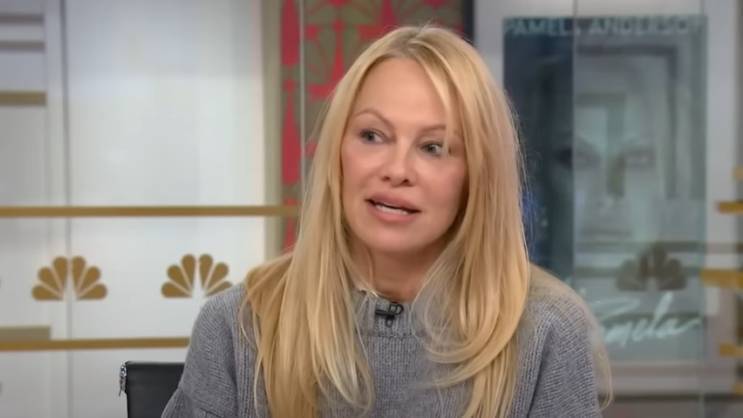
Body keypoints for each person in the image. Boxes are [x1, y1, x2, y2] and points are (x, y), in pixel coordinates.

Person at [162, 25, 611, 418]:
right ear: (338, 152)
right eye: (372, 135)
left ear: (477, 176)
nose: (397, 170)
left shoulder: (545, 329)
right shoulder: (239, 326)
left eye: (433, 147)